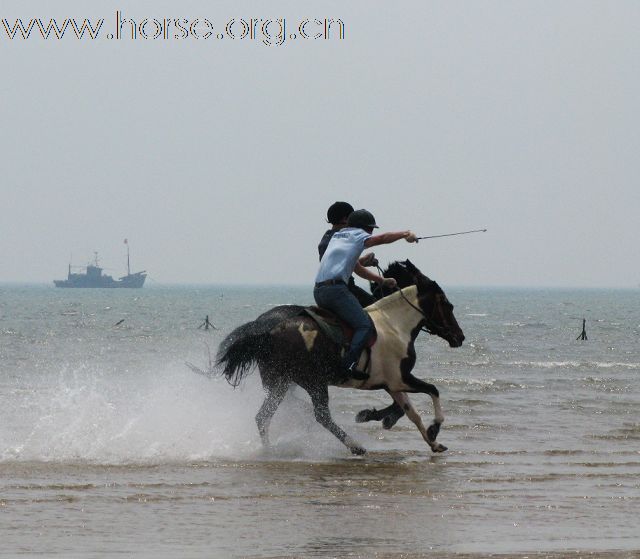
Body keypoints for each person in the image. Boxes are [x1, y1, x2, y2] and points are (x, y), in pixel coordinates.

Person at [314, 209, 417, 380]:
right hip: (335, 291)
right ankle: (347, 366)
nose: (371, 233)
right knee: (365, 326)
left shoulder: (338, 236)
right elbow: (382, 239)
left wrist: (381, 280)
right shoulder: (357, 235)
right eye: (371, 229)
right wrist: (406, 234)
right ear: (365, 228)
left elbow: (357, 268)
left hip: (319, 291)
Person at [319, 201, 377, 307]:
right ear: (345, 219)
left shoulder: (327, 236)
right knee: (374, 306)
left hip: (324, 287)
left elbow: (340, 264)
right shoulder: (339, 239)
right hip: (344, 287)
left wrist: (362, 261)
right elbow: (353, 267)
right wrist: (381, 280)